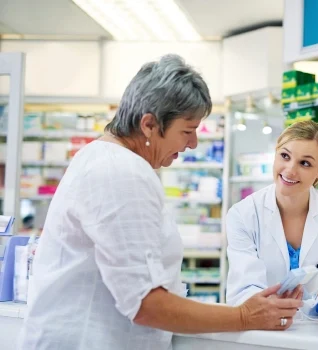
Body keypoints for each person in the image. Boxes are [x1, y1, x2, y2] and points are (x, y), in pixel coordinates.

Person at [19, 54, 302, 350]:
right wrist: (244, 317)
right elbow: (146, 304)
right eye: (187, 131)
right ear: (150, 125)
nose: (192, 144)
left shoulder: (108, 161)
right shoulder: (120, 172)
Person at [226, 120, 318, 319]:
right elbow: (243, 288)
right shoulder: (243, 214)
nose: (290, 170)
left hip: (317, 333)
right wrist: (271, 305)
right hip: (261, 330)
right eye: (285, 156)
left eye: (305, 163)